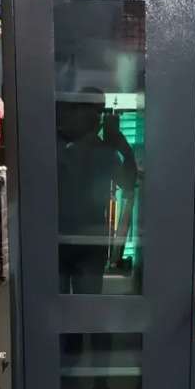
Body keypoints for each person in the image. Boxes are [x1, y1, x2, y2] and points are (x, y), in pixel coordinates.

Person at [57, 88, 137, 294]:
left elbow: (128, 184)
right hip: (58, 239)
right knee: (54, 306)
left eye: (99, 111)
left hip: (91, 242)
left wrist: (123, 147)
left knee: (88, 307)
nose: (96, 116)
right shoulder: (58, 144)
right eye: (89, 109)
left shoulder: (105, 152)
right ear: (75, 110)